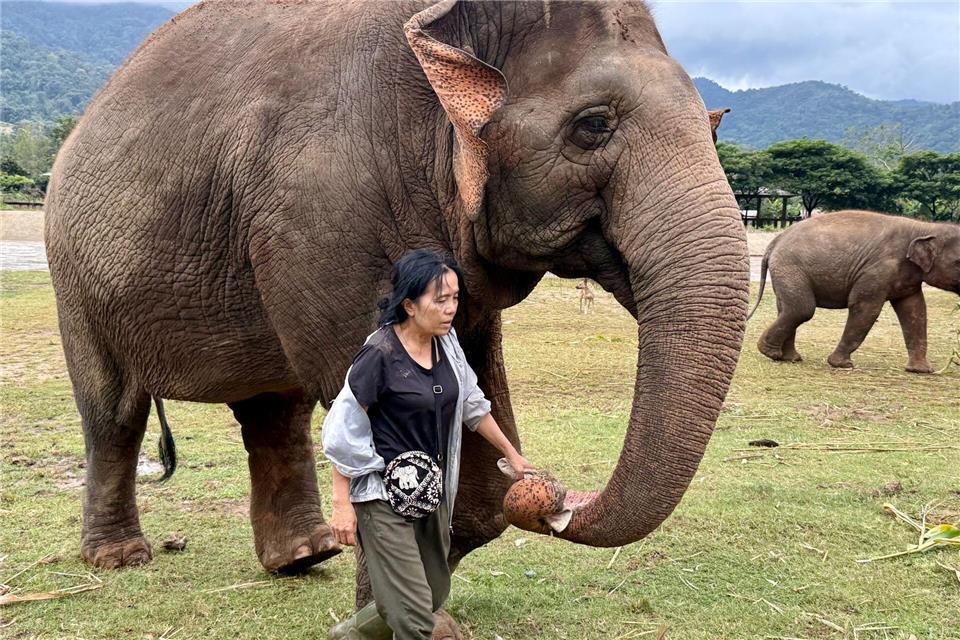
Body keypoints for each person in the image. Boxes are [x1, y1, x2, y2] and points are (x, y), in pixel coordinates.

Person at [322, 249, 533, 640]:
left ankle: (351, 635)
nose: (450, 308)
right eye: (440, 300)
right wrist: (342, 504)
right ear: (409, 304)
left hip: (430, 492)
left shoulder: (447, 344)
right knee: (415, 617)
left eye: (454, 298)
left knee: (432, 590)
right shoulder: (380, 354)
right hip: (381, 496)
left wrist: (510, 452)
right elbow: (342, 430)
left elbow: (471, 402)